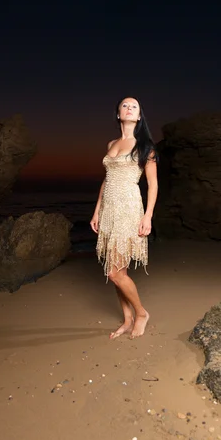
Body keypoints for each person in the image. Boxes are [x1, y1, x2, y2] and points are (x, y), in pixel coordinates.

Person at [90, 97, 158, 339]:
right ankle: (127, 319)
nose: (129, 108)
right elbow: (107, 180)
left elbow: (152, 184)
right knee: (117, 269)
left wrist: (148, 216)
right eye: (125, 105)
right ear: (118, 114)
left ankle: (141, 313)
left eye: (135, 106)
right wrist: (97, 210)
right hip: (109, 210)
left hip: (129, 209)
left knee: (115, 273)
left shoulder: (145, 146)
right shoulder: (112, 143)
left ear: (139, 116)